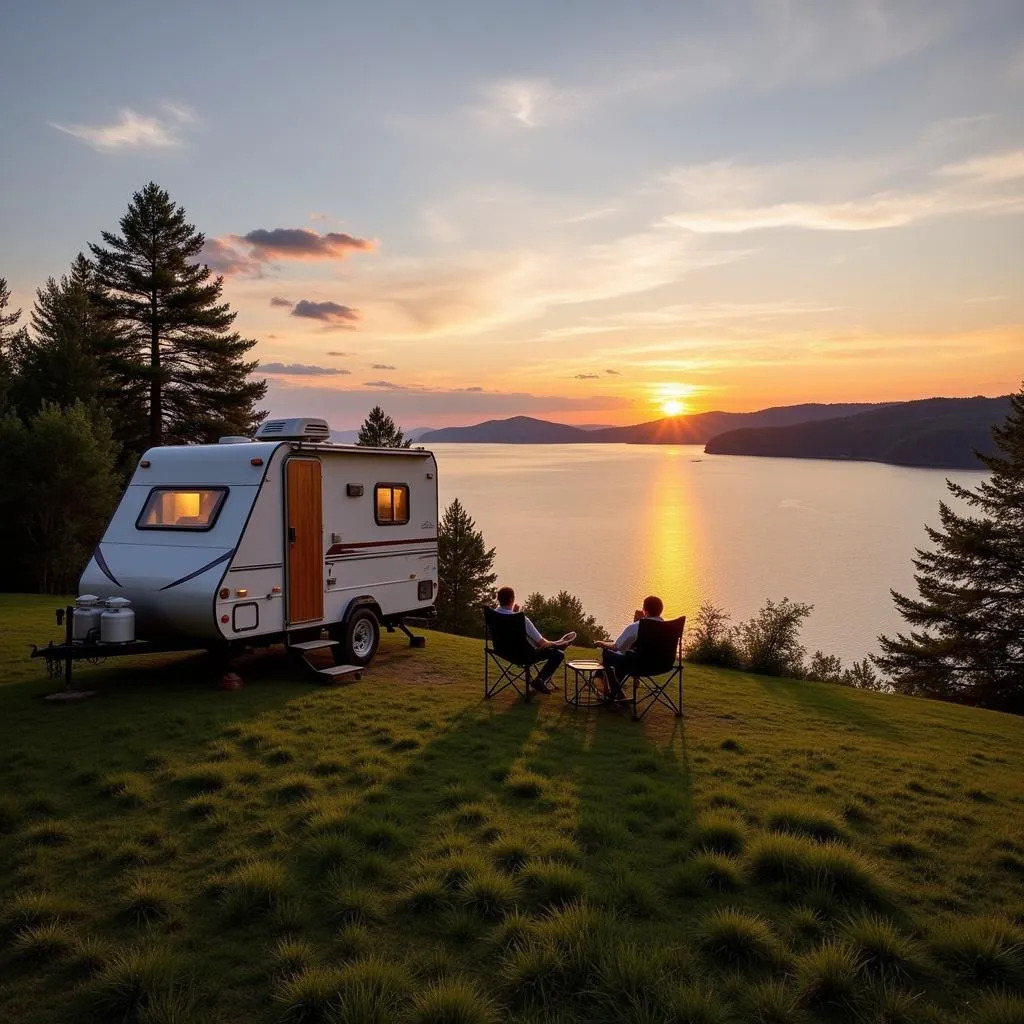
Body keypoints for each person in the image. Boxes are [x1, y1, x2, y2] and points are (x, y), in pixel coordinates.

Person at [494, 586, 570, 693]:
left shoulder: (494, 614)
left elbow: (506, 626)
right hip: (523, 656)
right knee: (558, 654)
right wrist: (559, 643)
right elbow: (542, 644)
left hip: (501, 651)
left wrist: (513, 613)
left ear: (499, 599)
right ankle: (540, 680)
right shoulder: (521, 620)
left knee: (553, 648)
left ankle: (539, 681)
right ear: (512, 599)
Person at [595, 595, 664, 702]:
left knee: (607, 653)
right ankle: (615, 689)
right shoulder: (667, 627)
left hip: (638, 666)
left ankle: (614, 691)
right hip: (662, 665)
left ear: (644, 610)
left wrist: (601, 643)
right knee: (625, 657)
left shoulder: (637, 626)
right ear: (660, 611)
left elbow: (616, 647)